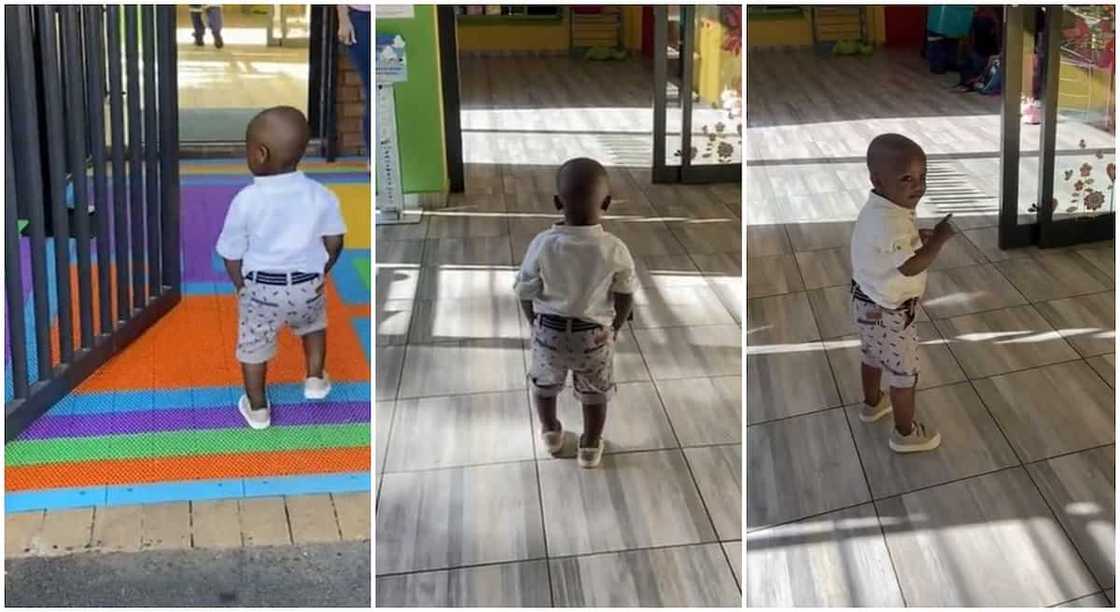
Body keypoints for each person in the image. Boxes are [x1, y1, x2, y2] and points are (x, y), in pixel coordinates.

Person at [216, 106, 347, 429]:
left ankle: (258, 407)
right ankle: (315, 379)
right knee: (314, 326)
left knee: (254, 345)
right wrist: (322, 271)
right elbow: (335, 240)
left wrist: (240, 286)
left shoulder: (246, 200)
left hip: (261, 289)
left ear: (259, 154)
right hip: (308, 285)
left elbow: (230, 252)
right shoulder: (321, 195)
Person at [514, 158, 636, 468]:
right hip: (593, 336)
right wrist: (616, 327)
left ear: (557, 202)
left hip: (548, 332)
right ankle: (590, 446)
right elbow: (625, 293)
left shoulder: (542, 244)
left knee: (544, 386)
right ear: (607, 202)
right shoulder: (615, 248)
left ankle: (551, 433)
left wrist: (536, 324)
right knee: (595, 393)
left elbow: (525, 290)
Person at [850, 134, 955, 453]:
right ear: (877, 180)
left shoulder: (882, 207)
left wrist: (917, 238)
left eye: (923, 176)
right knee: (903, 373)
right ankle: (904, 433)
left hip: (865, 300)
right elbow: (909, 267)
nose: (918, 185)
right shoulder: (890, 221)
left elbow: (893, 248)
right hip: (891, 311)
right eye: (906, 178)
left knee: (871, 353)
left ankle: (871, 405)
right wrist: (937, 240)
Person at [337, 5, 371, 162]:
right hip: (361, 16)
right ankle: (373, 160)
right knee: (373, 91)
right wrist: (343, 19)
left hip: (398, 13)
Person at [953, 6, 1000, 93]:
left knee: (966, 62)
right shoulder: (992, 21)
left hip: (979, 55)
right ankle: (973, 81)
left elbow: (970, 38)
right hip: (986, 56)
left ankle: (969, 82)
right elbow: (996, 39)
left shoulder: (975, 19)